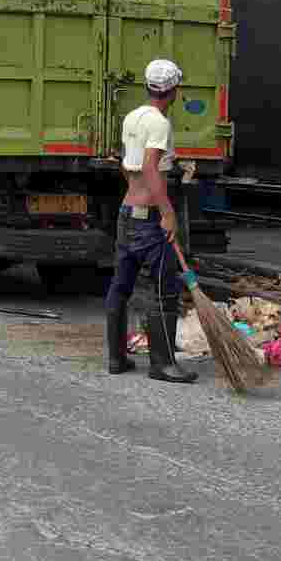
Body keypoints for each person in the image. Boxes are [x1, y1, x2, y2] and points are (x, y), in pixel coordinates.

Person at [103, 57, 198, 383]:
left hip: (126, 214)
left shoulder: (133, 117)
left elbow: (126, 164)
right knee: (163, 290)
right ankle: (163, 364)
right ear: (174, 90)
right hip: (147, 219)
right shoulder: (159, 123)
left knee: (121, 286)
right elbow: (148, 166)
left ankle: (116, 358)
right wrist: (168, 213)